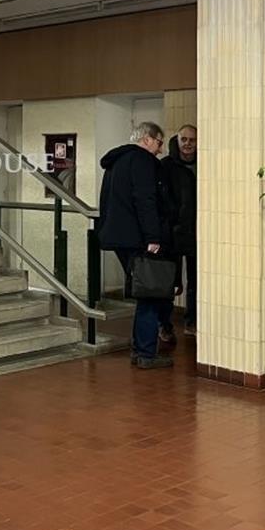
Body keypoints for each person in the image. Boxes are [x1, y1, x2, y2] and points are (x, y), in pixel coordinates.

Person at [97, 121, 177, 369]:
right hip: (138, 238)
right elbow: (146, 200)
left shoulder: (116, 162)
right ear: (147, 139)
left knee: (144, 292)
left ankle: (140, 349)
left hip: (119, 236)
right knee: (150, 294)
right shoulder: (142, 161)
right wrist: (153, 237)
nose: (161, 150)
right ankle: (145, 353)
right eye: (159, 142)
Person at [159, 125, 197, 341]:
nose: (188, 144)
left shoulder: (205, 163)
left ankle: (192, 322)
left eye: (192, 140)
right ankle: (164, 325)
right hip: (172, 232)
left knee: (196, 281)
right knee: (169, 283)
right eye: (184, 139)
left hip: (196, 231)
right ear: (178, 139)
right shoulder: (166, 165)